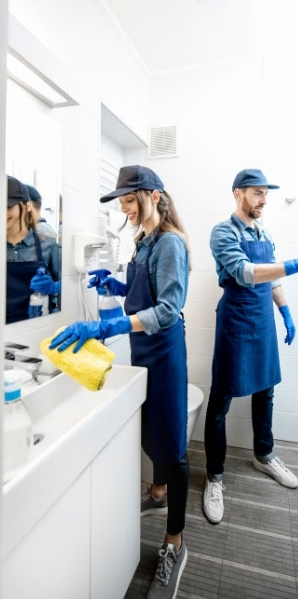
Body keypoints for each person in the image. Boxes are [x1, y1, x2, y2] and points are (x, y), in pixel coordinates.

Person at [49, 165, 190, 599]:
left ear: (153, 196)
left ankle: (175, 543)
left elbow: (168, 309)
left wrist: (106, 328)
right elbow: (141, 291)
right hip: (146, 351)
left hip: (164, 354)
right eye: (122, 202)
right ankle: (158, 491)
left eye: (131, 200)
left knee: (172, 444)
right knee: (151, 433)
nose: (126, 209)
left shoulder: (169, 242)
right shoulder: (143, 242)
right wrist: (113, 282)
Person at [203, 168, 298, 524]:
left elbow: (271, 277)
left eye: (265, 194)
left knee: (266, 392)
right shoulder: (223, 232)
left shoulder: (265, 233)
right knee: (220, 401)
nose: (263, 200)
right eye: (257, 193)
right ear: (238, 194)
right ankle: (214, 476)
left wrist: (286, 312)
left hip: (262, 322)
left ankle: (265, 454)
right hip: (235, 322)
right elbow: (245, 272)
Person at [6, 175, 61, 323]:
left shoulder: (49, 244)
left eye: (8, 207)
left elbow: (64, 289)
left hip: (37, 325)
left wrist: (56, 289)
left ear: (27, 205)